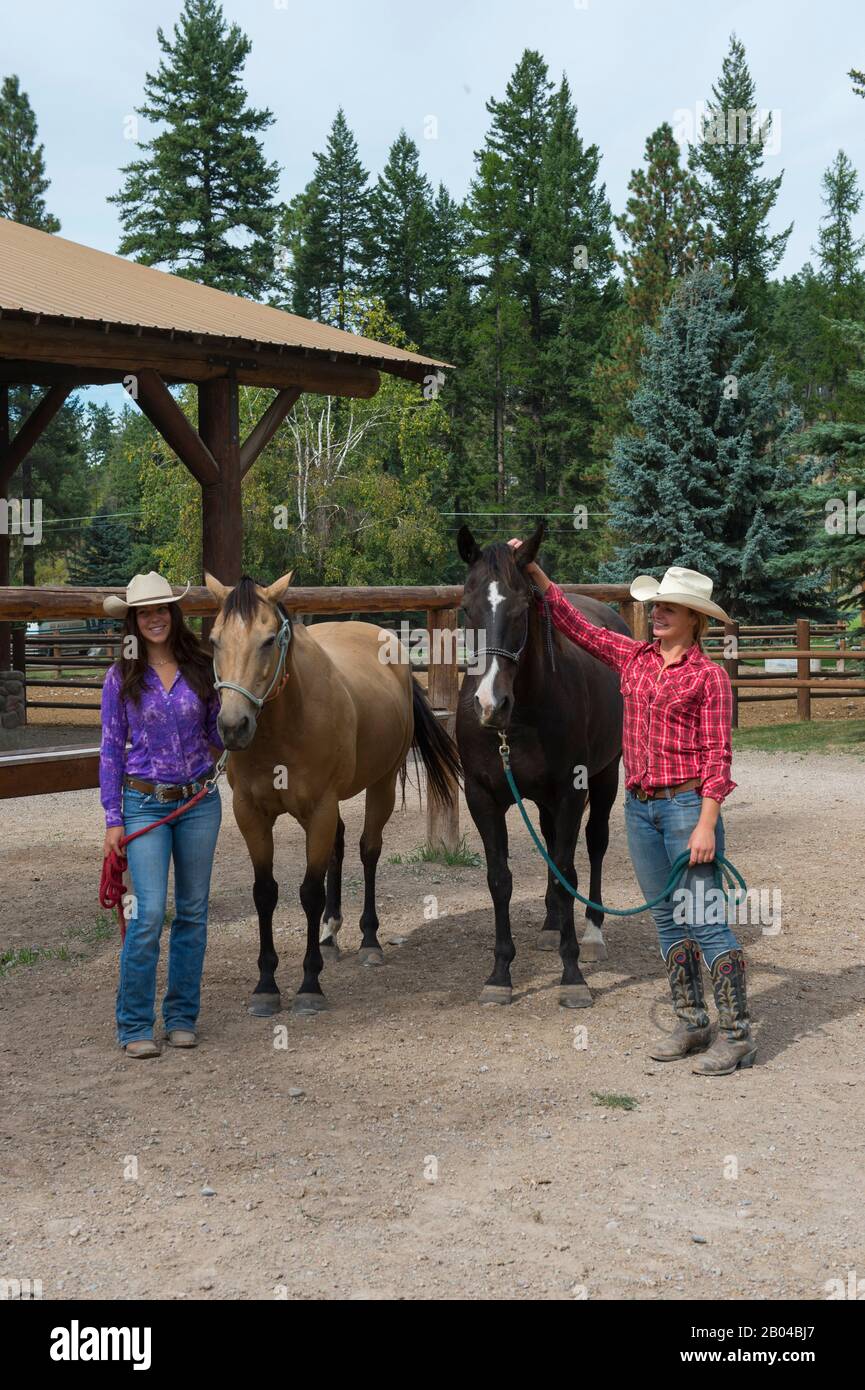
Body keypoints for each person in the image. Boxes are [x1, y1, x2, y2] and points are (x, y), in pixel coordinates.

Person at [508, 544, 755, 1076]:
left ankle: (737, 1034)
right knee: (667, 920)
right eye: (656, 606)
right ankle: (692, 1022)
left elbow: (718, 757)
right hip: (641, 811)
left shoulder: (708, 678)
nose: (657, 613)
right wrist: (534, 572)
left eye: (669, 608)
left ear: (694, 619)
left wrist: (708, 821)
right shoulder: (634, 659)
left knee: (705, 918)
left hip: (688, 807)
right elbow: (577, 625)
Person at [100, 572, 223, 1059]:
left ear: (174, 615)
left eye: (162, 609)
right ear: (133, 620)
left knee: (192, 912)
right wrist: (113, 818)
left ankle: (181, 1018)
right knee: (148, 913)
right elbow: (110, 751)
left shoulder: (202, 668)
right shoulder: (121, 676)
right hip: (143, 801)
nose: (154, 619)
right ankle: (134, 1023)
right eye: (144, 612)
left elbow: (217, 731)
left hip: (198, 802)